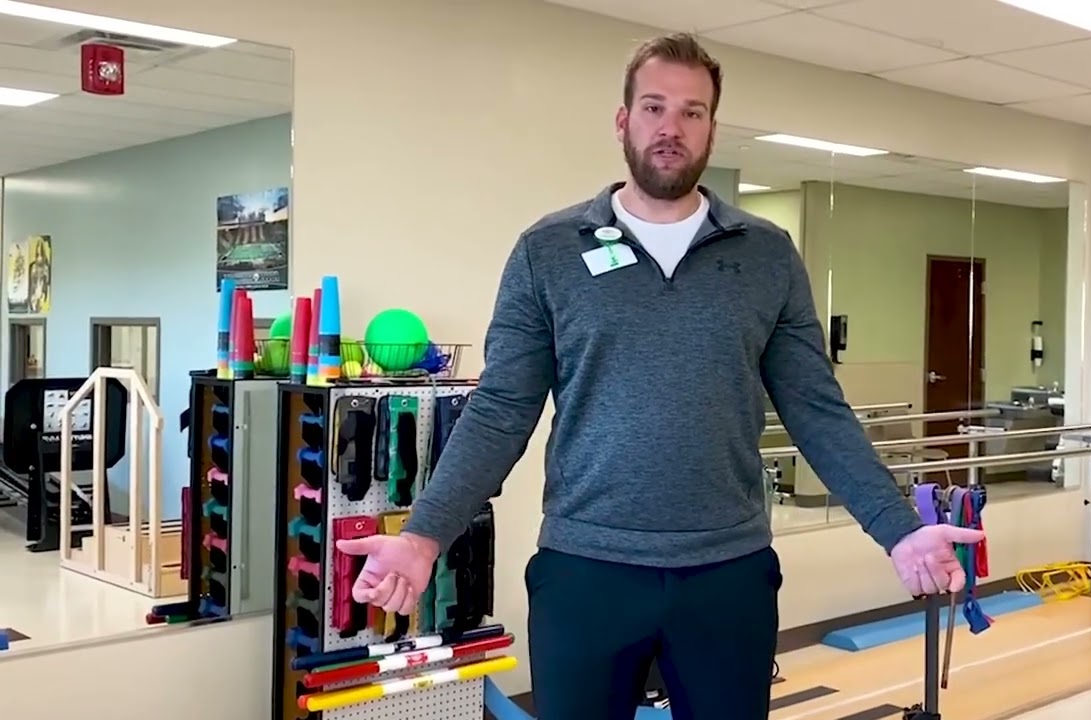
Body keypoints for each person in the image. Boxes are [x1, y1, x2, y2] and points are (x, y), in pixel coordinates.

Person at [336, 32, 983, 720]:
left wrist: (897, 528)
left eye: (691, 111)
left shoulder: (766, 255)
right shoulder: (547, 251)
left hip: (728, 573)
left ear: (712, 129)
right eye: (653, 107)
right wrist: (424, 535)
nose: (671, 127)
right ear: (624, 121)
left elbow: (816, 408)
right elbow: (500, 411)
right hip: (586, 569)